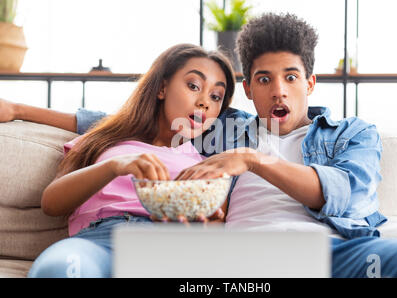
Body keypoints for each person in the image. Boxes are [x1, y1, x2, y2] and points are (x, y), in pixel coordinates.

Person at [2, 13, 397, 278]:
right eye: (264, 80)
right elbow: (118, 123)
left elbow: (342, 193)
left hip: (324, 249)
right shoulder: (220, 130)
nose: (279, 91)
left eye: (291, 78)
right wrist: (21, 108)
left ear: (310, 82)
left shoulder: (352, 133)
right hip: (233, 255)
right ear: (249, 91)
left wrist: (251, 161)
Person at [21, 43, 236, 277]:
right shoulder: (103, 140)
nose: (205, 101)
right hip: (100, 241)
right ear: (162, 88)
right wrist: (115, 166)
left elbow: (211, 238)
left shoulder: (208, 167)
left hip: (168, 249)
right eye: (194, 85)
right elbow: (52, 203)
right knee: (59, 270)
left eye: (216, 96)